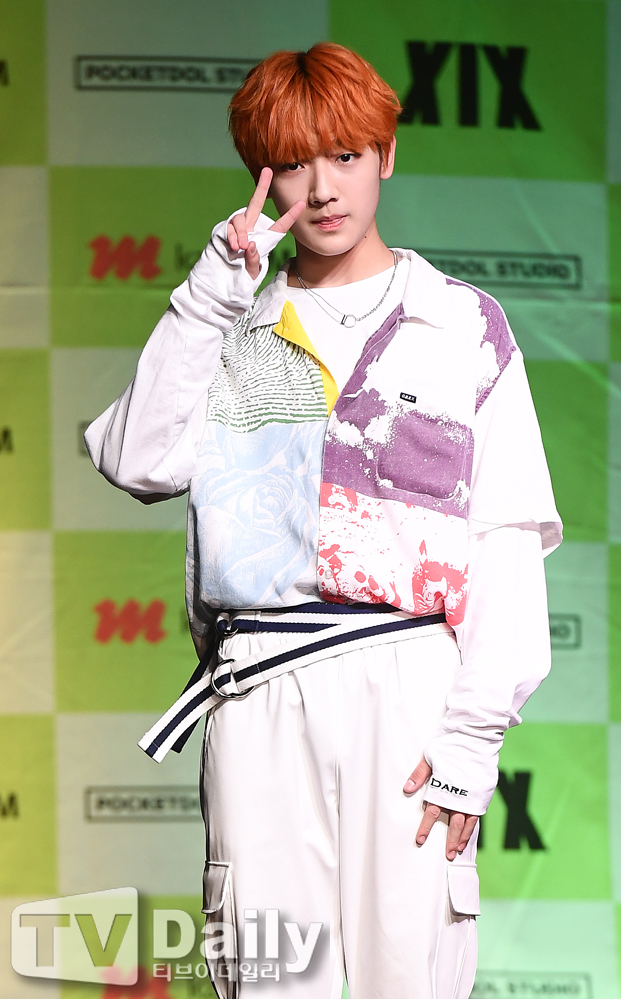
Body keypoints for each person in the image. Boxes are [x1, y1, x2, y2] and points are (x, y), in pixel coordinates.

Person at [85, 42, 561, 999]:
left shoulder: (462, 324)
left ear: (387, 154)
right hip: (259, 684)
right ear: (262, 176)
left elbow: (506, 542)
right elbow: (137, 461)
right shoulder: (230, 327)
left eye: (346, 155)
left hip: (410, 684)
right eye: (294, 163)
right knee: (267, 976)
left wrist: (472, 743)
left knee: (413, 977)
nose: (323, 187)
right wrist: (213, 292)